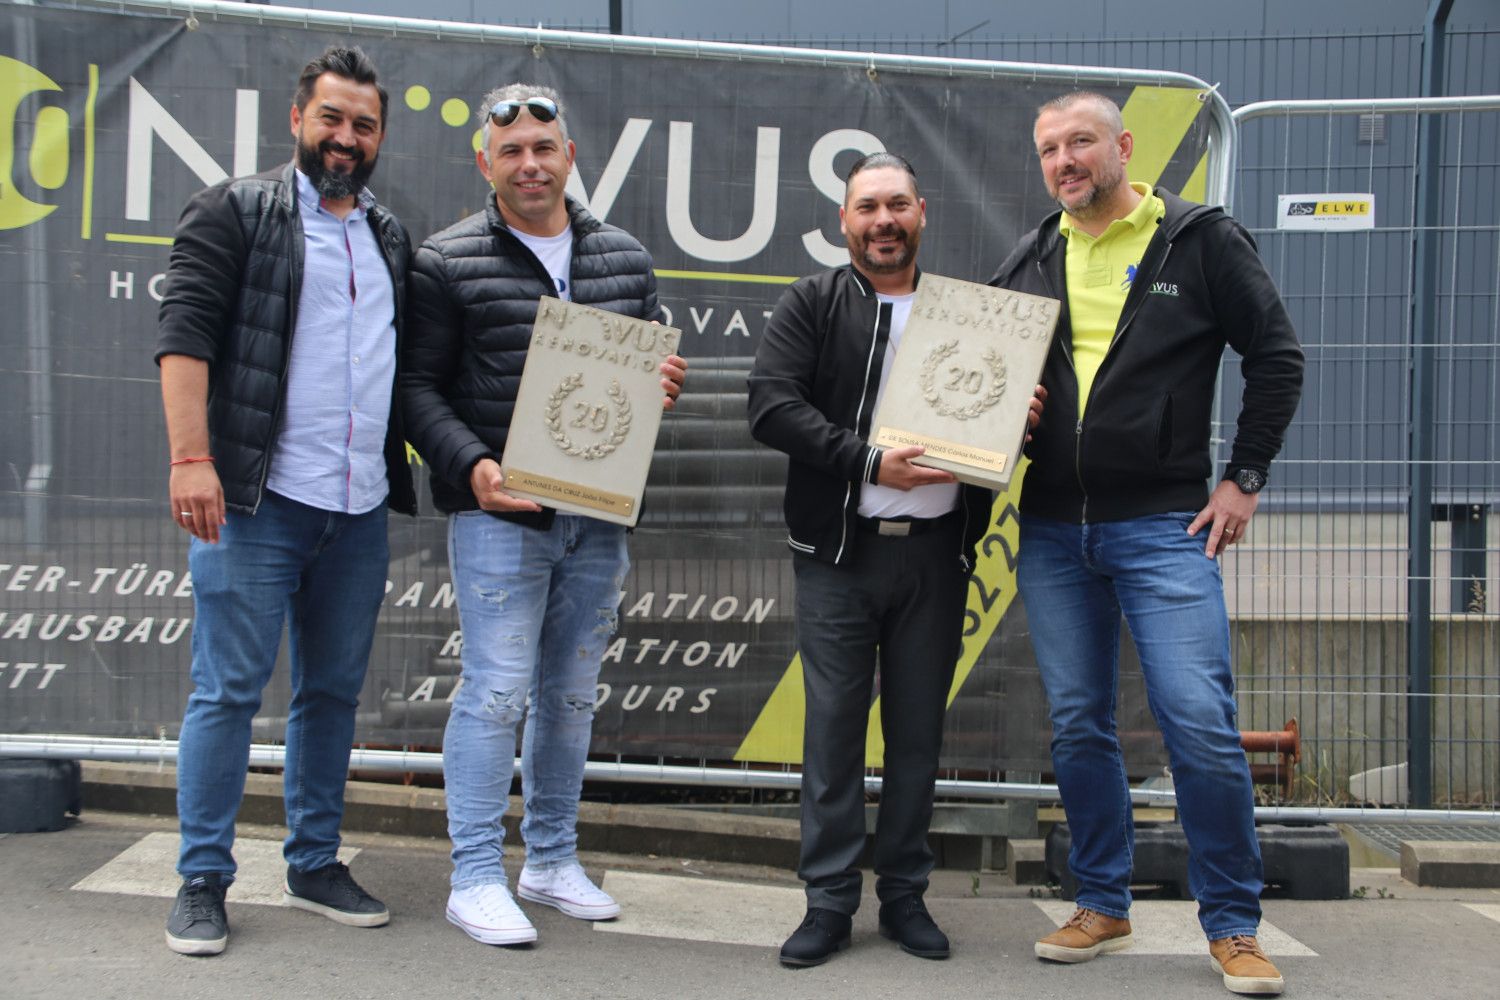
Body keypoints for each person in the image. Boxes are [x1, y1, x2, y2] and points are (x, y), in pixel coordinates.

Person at [989, 91, 1304, 996]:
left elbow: (1276, 356)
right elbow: (991, 379)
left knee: (1197, 724)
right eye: (1049, 149)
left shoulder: (1200, 241)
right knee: (1079, 724)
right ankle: (1102, 902)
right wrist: (1011, 412)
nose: (1064, 161)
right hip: (1053, 528)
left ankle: (1234, 924)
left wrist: (1244, 478)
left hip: (1165, 526)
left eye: (1080, 142)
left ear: (1123, 146)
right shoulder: (1031, 256)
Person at [402, 83, 686, 947]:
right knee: (495, 692)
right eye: (512, 152)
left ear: (570, 155)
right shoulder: (444, 261)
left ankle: (552, 859)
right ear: (484, 162)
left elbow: (640, 379)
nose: (530, 164)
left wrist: (660, 383)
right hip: (500, 516)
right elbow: (415, 389)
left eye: (544, 148)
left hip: (597, 518)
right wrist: (473, 469)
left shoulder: (626, 258)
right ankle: (475, 876)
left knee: (569, 696)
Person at [749, 152, 1041, 968]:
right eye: (868, 207)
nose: (884, 221)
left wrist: (1019, 419)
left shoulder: (969, 316)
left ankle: (906, 896)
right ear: (844, 221)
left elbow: (1001, 423)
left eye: (898, 206)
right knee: (834, 735)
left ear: (922, 212)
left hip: (938, 559)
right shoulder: (812, 303)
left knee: (917, 736)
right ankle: (829, 902)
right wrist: (869, 462)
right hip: (839, 560)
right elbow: (769, 405)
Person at [155, 46, 415, 956]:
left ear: (379, 138)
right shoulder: (233, 210)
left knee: (332, 694)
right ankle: (202, 879)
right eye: (332, 118)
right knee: (227, 692)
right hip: (255, 505)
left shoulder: (388, 235)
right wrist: (193, 460)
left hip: (357, 508)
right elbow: (184, 336)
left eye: (364, 125)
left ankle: (313, 863)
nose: (347, 137)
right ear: (298, 119)